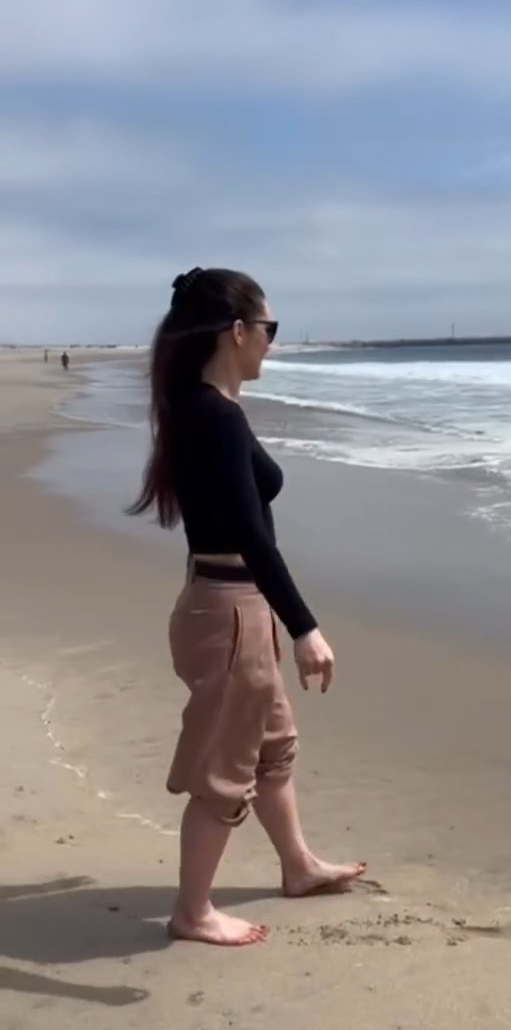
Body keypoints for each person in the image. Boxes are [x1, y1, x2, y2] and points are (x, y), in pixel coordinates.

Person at [127, 267, 365, 947]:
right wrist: (304, 628)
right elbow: (250, 534)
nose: (272, 341)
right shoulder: (214, 417)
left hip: (231, 606)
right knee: (224, 773)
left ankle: (298, 866)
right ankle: (193, 912)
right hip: (231, 612)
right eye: (269, 328)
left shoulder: (207, 409)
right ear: (237, 331)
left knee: (272, 749)